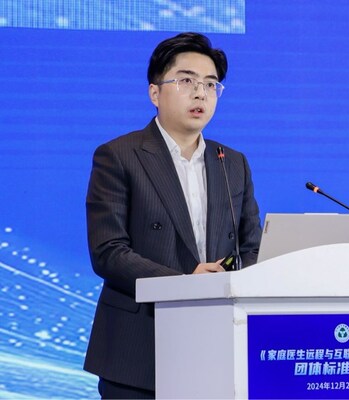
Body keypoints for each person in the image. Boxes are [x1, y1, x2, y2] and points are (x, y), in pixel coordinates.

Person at [83, 32, 262, 399]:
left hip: (218, 346)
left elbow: (252, 247)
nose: (200, 94)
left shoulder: (232, 163)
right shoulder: (119, 155)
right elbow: (108, 252)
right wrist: (184, 282)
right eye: (186, 81)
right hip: (139, 350)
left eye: (210, 84)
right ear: (155, 93)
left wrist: (232, 276)